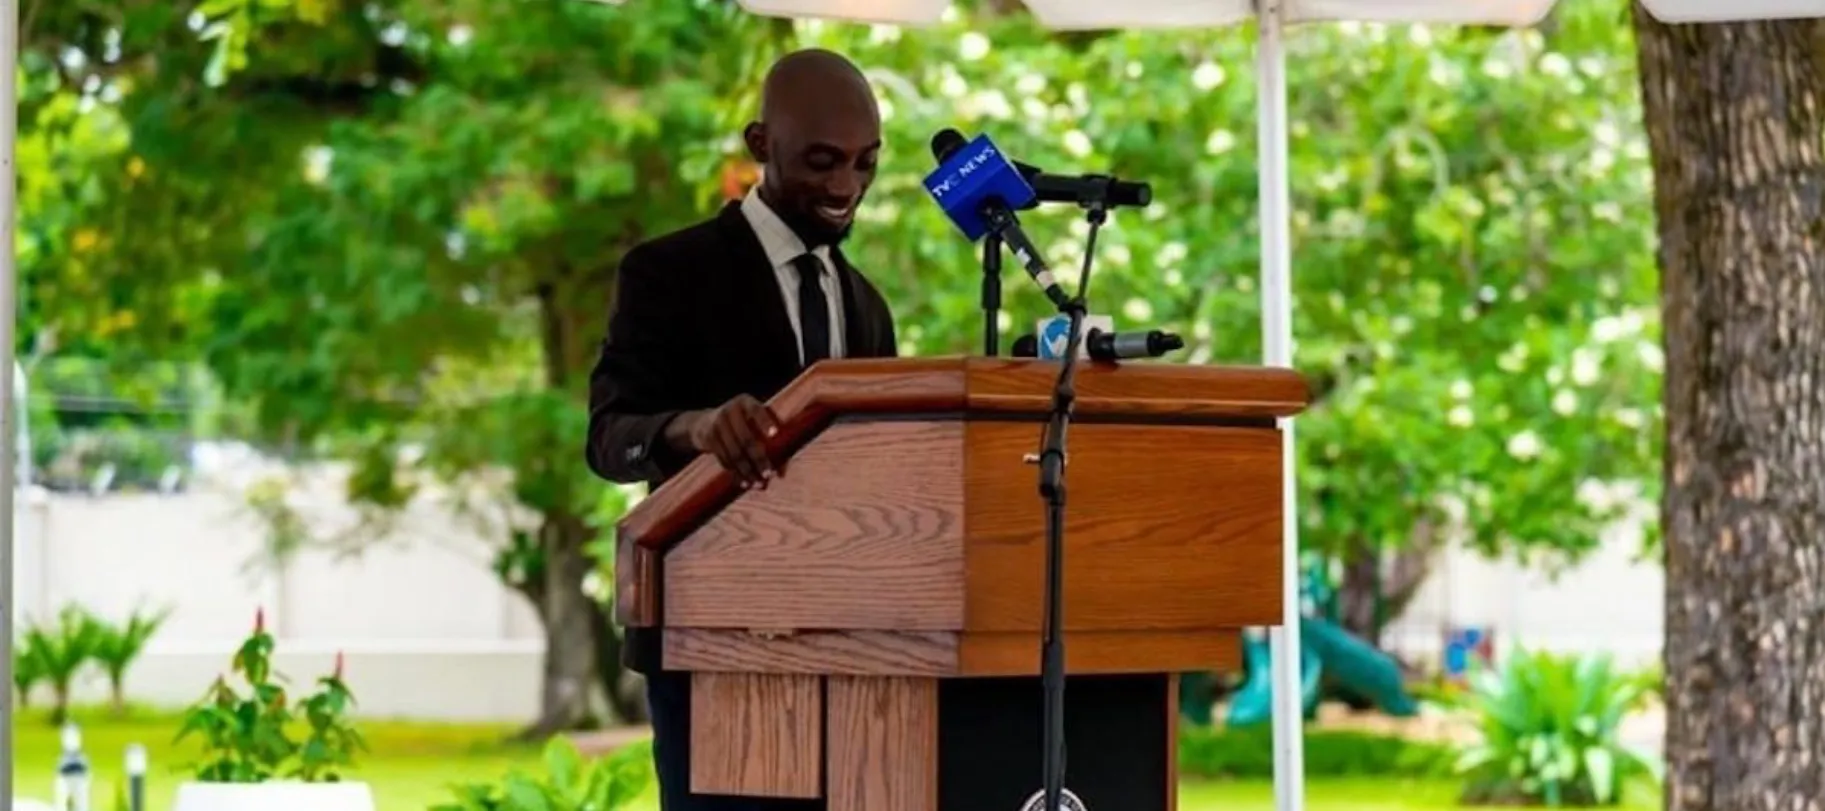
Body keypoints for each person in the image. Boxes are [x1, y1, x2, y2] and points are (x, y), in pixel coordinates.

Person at [584, 48, 897, 811]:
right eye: (821, 161)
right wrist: (693, 428)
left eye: (864, 164)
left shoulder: (867, 303)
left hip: (844, 643)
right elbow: (608, 436)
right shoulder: (668, 272)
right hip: (707, 638)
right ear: (760, 144)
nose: (844, 187)